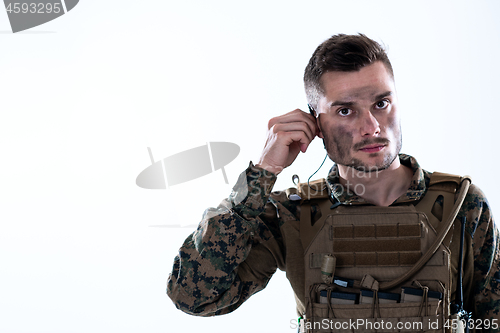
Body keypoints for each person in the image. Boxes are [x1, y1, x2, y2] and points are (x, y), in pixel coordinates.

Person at [167, 34, 500, 330]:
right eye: (346, 111)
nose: (371, 127)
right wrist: (262, 173)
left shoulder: (463, 206)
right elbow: (192, 296)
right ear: (315, 123)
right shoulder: (292, 214)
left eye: (381, 103)